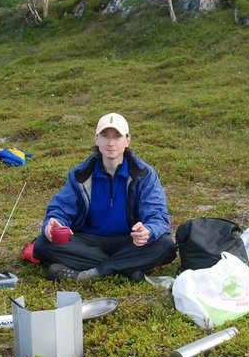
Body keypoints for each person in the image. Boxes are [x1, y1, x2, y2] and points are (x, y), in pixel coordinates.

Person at [34, 112, 176, 281]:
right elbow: (61, 209)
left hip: (128, 240)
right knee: (43, 244)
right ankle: (128, 269)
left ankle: (89, 274)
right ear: (96, 139)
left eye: (117, 136)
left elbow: (158, 217)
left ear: (127, 139)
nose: (111, 143)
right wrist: (53, 224)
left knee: (166, 246)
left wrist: (148, 231)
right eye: (105, 136)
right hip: (88, 241)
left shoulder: (144, 174)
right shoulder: (80, 174)